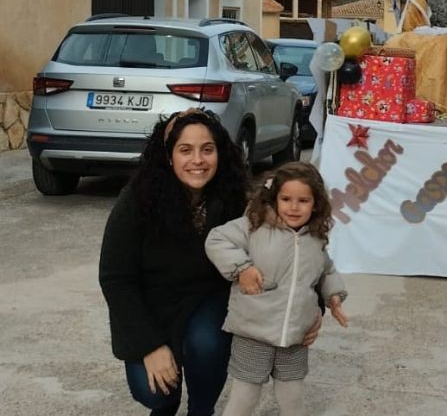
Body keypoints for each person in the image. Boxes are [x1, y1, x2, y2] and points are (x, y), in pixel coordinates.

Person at [99, 110, 321, 416]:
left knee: (208, 344)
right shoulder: (137, 200)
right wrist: (149, 346)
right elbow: (115, 278)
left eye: (207, 149)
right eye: (185, 150)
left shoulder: (238, 199)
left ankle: (201, 411)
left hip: (210, 302)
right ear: (168, 155)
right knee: (156, 395)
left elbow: (295, 247)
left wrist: (315, 306)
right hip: (151, 308)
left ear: (220, 152)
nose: (198, 160)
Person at [205, 162, 348, 416]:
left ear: (316, 204)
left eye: (303, 200)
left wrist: (334, 296)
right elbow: (217, 239)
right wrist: (242, 268)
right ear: (274, 198)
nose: (294, 207)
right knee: (245, 397)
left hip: (295, 335)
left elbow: (326, 270)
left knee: (293, 398)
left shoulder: (314, 238)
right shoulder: (254, 225)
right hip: (254, 332)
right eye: (286, 199)